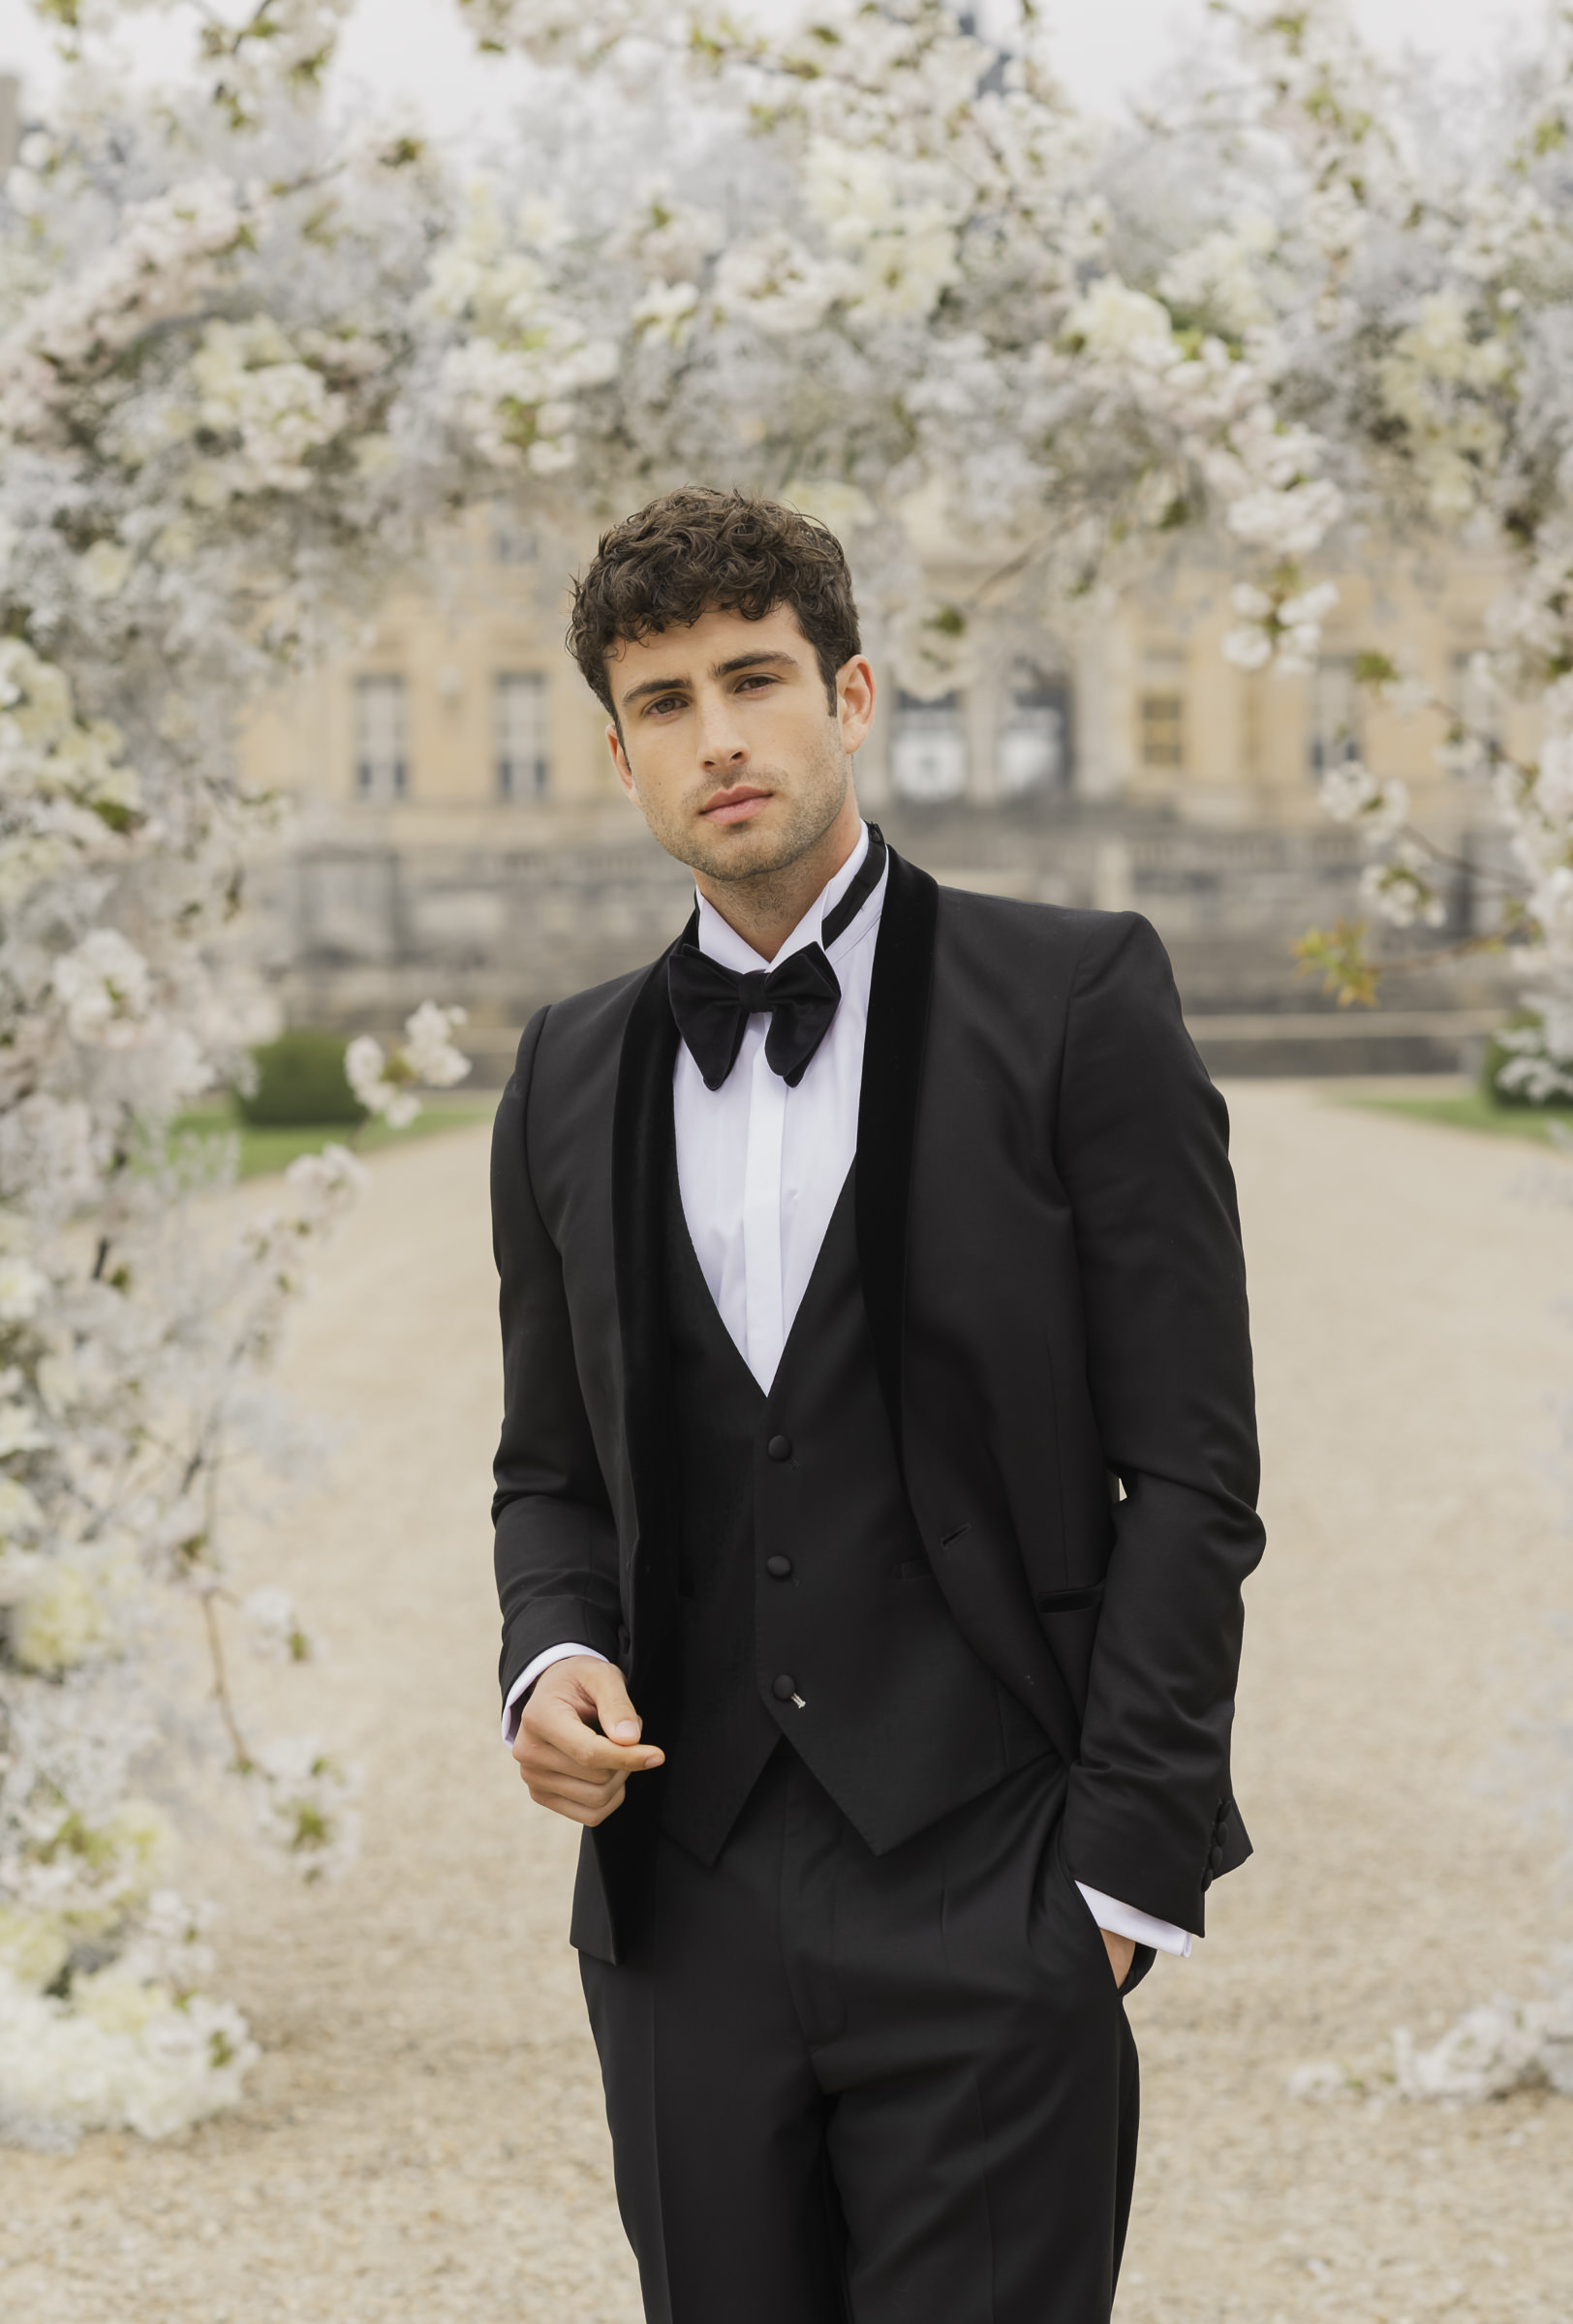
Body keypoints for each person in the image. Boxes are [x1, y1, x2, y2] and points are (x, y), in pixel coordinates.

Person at [490, 487, 1263, 2322]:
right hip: (675, 1903)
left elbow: (1194, 1472)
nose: (719, 736)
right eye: (664, 703)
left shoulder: (1078, 998)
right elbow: (547, 1472)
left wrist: (1114, 1888)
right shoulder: (565, 1066)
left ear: (849, 695)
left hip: (994, 1877)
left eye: (752, 679)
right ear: (618, 755)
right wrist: (547, 1661)